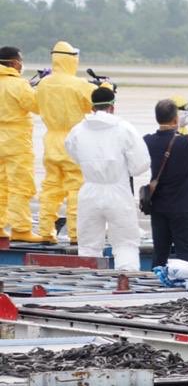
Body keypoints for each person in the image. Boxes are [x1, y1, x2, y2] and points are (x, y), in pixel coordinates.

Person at [64, 87, 149, 271]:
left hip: (90, 190)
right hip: (118, 190)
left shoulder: (77, 130)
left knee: (88, 245)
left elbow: (72, 153)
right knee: (125, 242)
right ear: (112, 106)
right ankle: (126, 282)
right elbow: (141, 164)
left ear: (92, 107)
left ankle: (87, 283)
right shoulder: (124, 129)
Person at [35, 41, 95, 244]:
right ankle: (76, 233)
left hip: (51, 139)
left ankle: (45, 231)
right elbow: (95, 105)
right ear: (71, 60)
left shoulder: (44, 83)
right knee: (76, 188)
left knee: (50, 187)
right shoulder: (79, 84)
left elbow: (36, 105)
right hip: (74, 140)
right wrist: (104, 87)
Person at [144, 99, 188, 266]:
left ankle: (155, 285)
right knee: (186, 252)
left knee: (160, 253)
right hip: (183, 206)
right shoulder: (187, 143)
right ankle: (187, 287)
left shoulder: (147, 141)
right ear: (176, 119)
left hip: (158, 205)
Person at [0, 47, 40, 242]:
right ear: (14, 63)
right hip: (15, 142)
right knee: (20, 186)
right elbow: (37, 106)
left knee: (0, 186)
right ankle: (21, 229)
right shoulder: (18, 84)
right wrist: (37, 90)